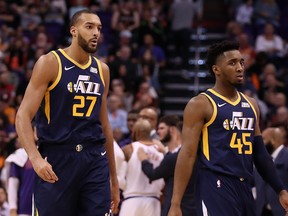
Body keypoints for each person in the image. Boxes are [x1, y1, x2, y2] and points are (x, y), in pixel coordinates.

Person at [15, 9, 120, 216]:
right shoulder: (50, 63)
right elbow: (23, 116)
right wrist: (35, 158)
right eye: (89, 27)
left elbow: (105, 125)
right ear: (74, 31)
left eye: (99, 28)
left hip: (94, 158)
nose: (96, 33)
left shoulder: (102, 70)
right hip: (57, 156)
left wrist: (114, 180)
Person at [168, 40, 288, 216]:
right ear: (216, 70)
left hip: (245, 186)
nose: (240, 68)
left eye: (241, 62)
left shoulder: (252, 104)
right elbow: (187, 154)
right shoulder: (201, 104)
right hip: (215, 186)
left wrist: (281, 190)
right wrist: (175, 203)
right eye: (232, 63)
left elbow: (260, 153)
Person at [138, 115, 196, 216]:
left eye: (162, 128)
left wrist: (144, 160)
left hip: (179, 208)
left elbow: (153, 174)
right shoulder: (179, 154)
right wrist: (164, 151)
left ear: (172, 129)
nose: (158, 132)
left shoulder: (175, 157)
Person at [119, 118, 165, 216]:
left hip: (132, 200)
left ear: (135, 132)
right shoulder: (161, 151)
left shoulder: (128, 149)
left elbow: (118, 175)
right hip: (153, 201)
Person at [254, 127, 288, 216]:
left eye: (263, 139)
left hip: (282, 210)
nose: (260, 144)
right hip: (262, 211)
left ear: (273, 140)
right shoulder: (260, 161)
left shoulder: (286, 156)